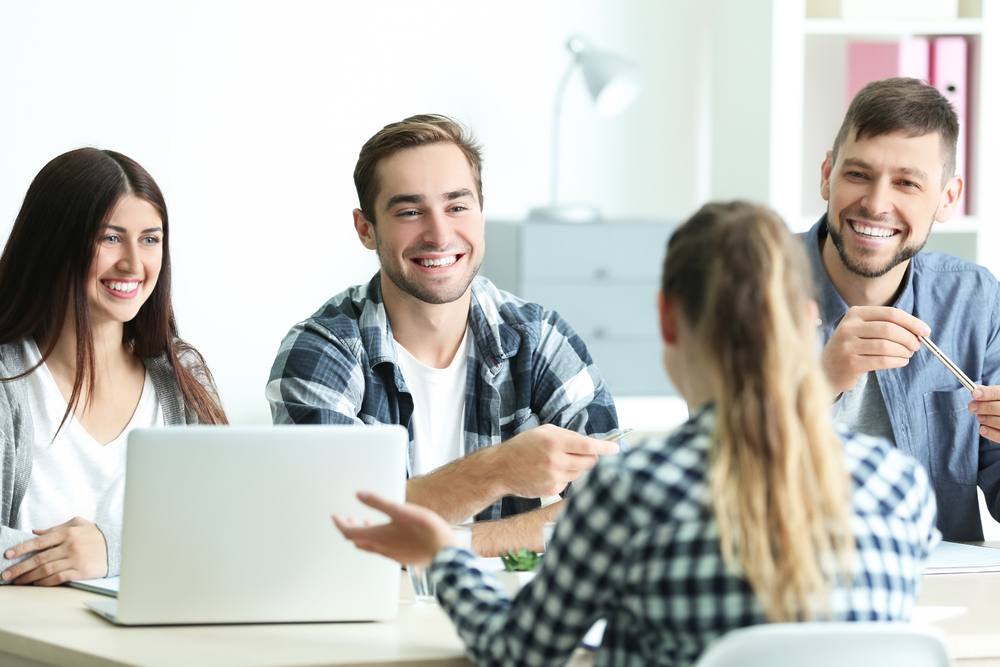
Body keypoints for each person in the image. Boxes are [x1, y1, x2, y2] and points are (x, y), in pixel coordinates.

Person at [335, 201, 939, 666]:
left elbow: (517, 651)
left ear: (667, 317)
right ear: (808, 319)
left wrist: (441, 555)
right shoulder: (902, 487)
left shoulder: (628, 493)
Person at [267, 114, 621, 556]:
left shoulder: (539, 338)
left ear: (481, 211)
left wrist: (452, 546)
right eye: (410, 211)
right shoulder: (322, 350)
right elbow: (330, 526)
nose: (439, 234)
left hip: (502, 613)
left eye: (457, 206)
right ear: (365, 229)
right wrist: (499, 471)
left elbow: (617, 508)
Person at [0, 148, 227, 586]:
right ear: (53, 242)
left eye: (149, 239)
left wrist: (112, 549)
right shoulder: (9, 379)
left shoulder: (180, 378)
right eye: (109, 238)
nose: (133, 264)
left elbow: (224, 526)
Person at [807, 77, 1000, 542]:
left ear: (947, 199)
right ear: (826, 175)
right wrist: (821, 380)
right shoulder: (748, 289)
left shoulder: (973, 299)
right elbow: (705, 481)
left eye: (907, 183)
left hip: (939, 596)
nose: (876, 204)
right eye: (857, 174)